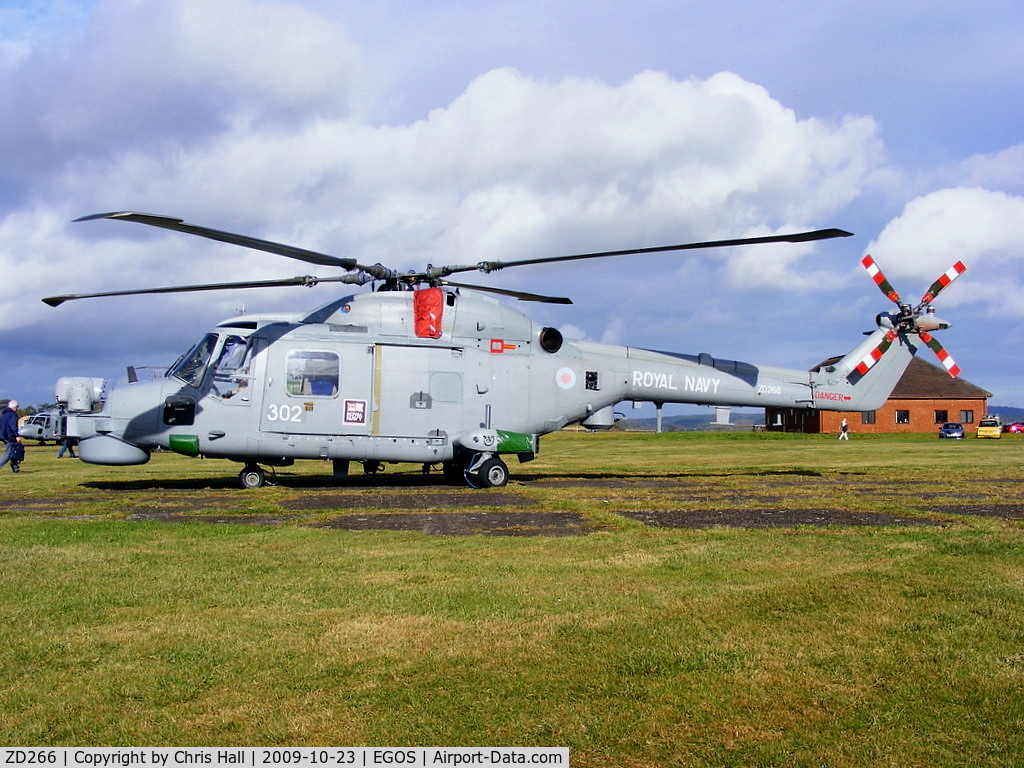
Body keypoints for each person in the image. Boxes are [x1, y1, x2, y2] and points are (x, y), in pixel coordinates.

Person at [0, 399, 23, 473]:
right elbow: (12, 426)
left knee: (13, 451)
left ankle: (15, 469)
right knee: (8, 454)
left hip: (2, 436)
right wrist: (17, 435)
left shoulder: (3, 415)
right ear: (15, 407)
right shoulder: (13, 415)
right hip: (9, 436)